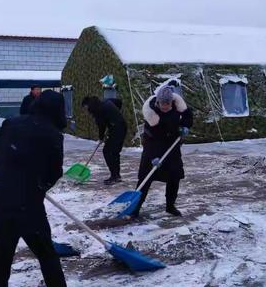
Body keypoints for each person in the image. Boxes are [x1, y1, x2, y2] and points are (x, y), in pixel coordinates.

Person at [0, 90, 78, 287]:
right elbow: (54, 171)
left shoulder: (11, 123)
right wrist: (38, 185)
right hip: (28, 205)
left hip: (1, 200)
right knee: (45, 252)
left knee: (2, 250)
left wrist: (8, 168)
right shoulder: (53, 134)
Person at [130, 84, 193, 218]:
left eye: (168, 104)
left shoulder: (178, 106)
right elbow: (151, 139)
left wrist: (185, 126)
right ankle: (135, 208)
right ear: (157, 102)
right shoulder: (151, 115)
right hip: (153, 146)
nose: (165, 106)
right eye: (162, 104)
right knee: (145, 179)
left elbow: (188, 116)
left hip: (172, 146)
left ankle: (170, 206)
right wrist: (154, 156)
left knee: (174, 177)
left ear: (172, 102)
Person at [81, 96, 127, 185]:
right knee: (113, 152)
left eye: (86, 107)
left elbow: (101, 126)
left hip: (117, 129)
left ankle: (115, 176)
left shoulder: (98, 111)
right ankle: (116, 175)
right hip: (121, 126)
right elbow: (119, 102)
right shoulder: (107, 101)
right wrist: (115, 116)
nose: (86, 110)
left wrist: (101, 137)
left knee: (108, 152)